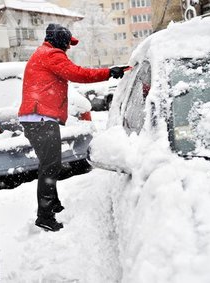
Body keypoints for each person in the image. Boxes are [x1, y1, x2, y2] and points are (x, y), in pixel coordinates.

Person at [18, 23, 128, 232]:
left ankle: (53, 204)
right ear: (60, 40)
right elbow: (78, 74)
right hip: (39, 118)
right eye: (68, 43)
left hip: (37, 118)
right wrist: (108, 73)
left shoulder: (44, 54)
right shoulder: (52, 54)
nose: (69, 48)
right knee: (50, 166)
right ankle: (45, 216)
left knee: (49, 164)